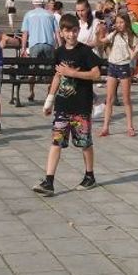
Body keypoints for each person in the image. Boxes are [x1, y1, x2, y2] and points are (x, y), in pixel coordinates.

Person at [34, 13, 102, 196]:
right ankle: (49, 181)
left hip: (81, 106)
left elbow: (96, 74)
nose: (71, 34)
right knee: (56, 142)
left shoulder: (84, 51)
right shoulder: (59, 53)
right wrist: (49, 100)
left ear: (78, 31)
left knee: (84, 143)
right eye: (67, 31)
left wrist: (72, 73)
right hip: (62, 106)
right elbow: (57, 76)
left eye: (74, 30)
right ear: (61, 33)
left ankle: (89, 176)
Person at [99, 12, 138, 137]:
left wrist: (137, 50)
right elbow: (102, 41)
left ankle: (130, 127)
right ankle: (105, 127)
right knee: (109, 99)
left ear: (127, 23)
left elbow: (132, 56)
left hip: (124, 66)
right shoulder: (114, 34)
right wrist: (99, 32)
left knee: (126, 99)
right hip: (112, 65)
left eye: (121, 22)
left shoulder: (132, 37)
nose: (119, 25)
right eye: (117, 22)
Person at [19, 0, 58, 102]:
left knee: (32, 70)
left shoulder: (28, 14)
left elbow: (25, 33)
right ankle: (49, 93)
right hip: (49, 44)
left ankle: (31, 92)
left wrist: (23, 48)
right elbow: (57, 32)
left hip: (34, 44)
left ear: (33, 4)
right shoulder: (50, 15)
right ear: (43, 4)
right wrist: (59, 46)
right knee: (50, 70)